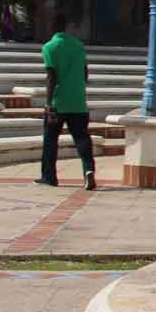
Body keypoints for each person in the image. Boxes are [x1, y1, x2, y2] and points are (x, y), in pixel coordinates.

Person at [36, 17, 95, 190]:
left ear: (51, 27)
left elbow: (51, 76)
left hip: (58, 102)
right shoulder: (78, 45)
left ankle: (49, 177)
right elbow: (85, 73)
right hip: (78, 101)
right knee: (82, 137)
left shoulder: (49, 47)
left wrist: (48, 103)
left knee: (50, 140)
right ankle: (88, 170)